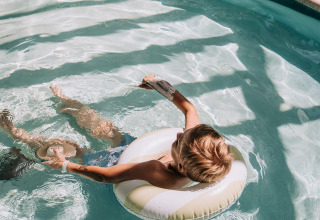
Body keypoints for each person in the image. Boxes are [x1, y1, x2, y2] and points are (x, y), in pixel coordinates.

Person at [43, 75, 234, 189]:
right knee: (106, 128)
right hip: (135, 149)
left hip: (114, 164)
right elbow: (189, 108)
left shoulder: (155, 170)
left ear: (182, 167)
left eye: (178, 142)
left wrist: (65, 165)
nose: (178, 134)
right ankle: (67, 103)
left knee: (62, 149)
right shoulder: (194, 153)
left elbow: (105, 176)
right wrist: (157, 82)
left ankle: (23, 132)